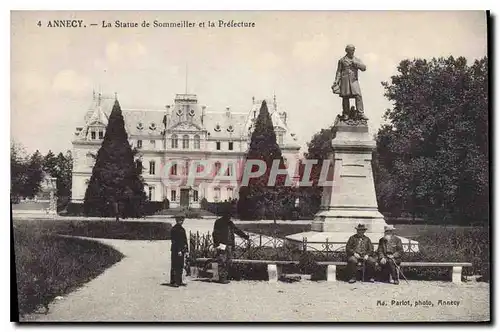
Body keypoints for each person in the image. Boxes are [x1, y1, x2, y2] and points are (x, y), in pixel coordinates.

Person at [212, 204, 250, 284]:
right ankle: (222, 278)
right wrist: (217, 244)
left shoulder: (230, 223)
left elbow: (237, 230)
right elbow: (215, 233)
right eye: (229, 215)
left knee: (228, 261)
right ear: (225, 215)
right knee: (222, 261)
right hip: (222, 245)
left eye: (230, 215)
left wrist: (245, 236)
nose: (230, 217)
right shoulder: (218, 222)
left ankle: (225, 276)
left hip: (229, 245)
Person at [332, 44, 367, 118]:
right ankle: (346, 113)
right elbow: (339, 71)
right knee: (345, 97)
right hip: (344, 80)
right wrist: (336, 81)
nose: (352, 51)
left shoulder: (356, 59)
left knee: (358, 95)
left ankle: (360, 113)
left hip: (354, 81)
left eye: (353, 50)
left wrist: (356, 64)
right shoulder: (342, 60)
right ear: (347, 51)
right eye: (351, 50)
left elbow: (364, 68)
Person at [170, 211, 188, 287]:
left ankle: (179, 280)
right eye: (180, 220)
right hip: (176, 250)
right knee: (175, 265)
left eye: (182, 220)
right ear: (176, 220)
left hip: (181, 250)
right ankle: (174, 281)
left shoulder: (182, 229)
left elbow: (185, 240)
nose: (181, 221)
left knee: (180, 266)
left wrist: (186, 250)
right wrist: (178, 250)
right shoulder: (174, 229)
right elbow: (174, 241)